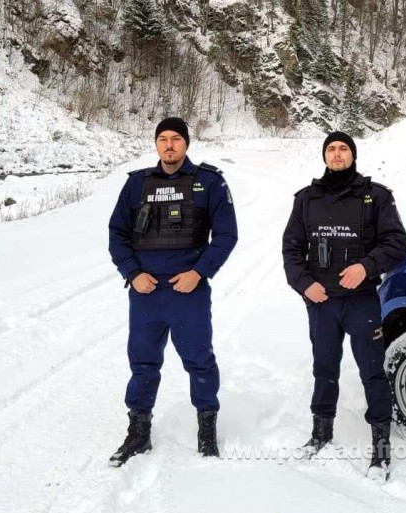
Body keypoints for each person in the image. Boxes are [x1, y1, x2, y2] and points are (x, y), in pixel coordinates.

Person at [108, 117, 238, 466]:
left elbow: (226, 236)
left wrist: (198, 273)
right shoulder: (137, 185)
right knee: (143, 363)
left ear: (186, 144)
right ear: (156, 144)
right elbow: (117, 234)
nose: (169, 145)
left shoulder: (208, 182)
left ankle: (206, 429)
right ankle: (138, 432)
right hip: (146, 292)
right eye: (163, 139)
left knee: (199, 361)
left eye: (176, 139)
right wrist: (132, 273)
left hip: (188, 292)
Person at [282, 131, 406, 479]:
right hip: (322, 302)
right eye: (331, 149)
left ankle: (381, 447)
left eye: (343, 149)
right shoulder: (306, 199)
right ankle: (321, 432)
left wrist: (367, 266)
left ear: (353, 154)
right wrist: (306, 285)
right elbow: (291, 249)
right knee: (324, 368)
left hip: (362, 301)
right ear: (324, 156)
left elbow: (397, 243)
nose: (337, 154)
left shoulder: (376, 196)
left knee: (372, 371)